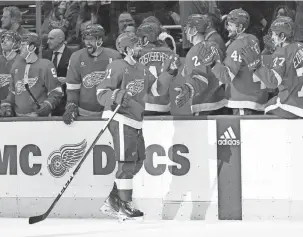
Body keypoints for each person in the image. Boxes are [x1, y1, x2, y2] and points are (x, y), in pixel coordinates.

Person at [96, 32, 180, 221]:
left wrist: (169, 73)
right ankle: (125, 205)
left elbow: (155, 90)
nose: (140, 48)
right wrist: (117, 95)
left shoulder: (142, 69)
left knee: (139, 160)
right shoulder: (116, 66)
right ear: (126, 49)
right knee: (126, 162)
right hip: (119, 118)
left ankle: (113, 199)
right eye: (135, 46)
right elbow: (101, 92)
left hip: (135, 119)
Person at [206, 8, 269, 115]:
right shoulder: (253, 39)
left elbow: (227, 76)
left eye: (230, 25)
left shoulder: (236, 45)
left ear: (240, 27)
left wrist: (212, 63)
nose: (227, 28)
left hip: (243, 101)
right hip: (257, 97)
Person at [240, 17, 303, 118]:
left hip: (292, 106)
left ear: (282, 36)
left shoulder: (281, 52)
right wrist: (274, 49)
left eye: (274, 33)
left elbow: (272, 82)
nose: (272, 37)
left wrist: (256, 66)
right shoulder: (300, 46)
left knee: (268, 107)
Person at [63, 24, 121, 125]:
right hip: (84, 114)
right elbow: (72, 87)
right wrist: (71, 105)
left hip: (109, 113)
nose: (88, 43)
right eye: (85, 39)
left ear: (100, 40)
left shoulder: (114, 56)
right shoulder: (76, 57)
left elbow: (120, 85)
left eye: (91, 39)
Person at [0, 32, 63, 117]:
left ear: (32, 47)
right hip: (18, 118)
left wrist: (47, 105)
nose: (19, 48)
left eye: (23, 45)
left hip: (39, 119)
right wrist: (7, 104)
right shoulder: (16, 65)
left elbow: (56, 91)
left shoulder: (46, 66)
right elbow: (13, 91)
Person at [175, 14, 226, 115]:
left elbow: (200, 79)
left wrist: (188, 89)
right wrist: (181, 67)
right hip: (220, 100)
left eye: (188, 28)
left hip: (204, 104)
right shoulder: (214, 45)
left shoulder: (194, 51)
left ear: (194, 30)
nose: (185, 31)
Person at [136, 22, 175, 115]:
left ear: (146, 38)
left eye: (141, 37)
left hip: (145, 104)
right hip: (164, 105)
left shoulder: (138, 53)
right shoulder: (169, 52)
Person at [43, 29, 73, 116]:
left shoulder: (73, 55)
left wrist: (67, 80)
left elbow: (80, 76)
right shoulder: (44, 55)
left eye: (51, 39)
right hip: (48, 99)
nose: (48, 42)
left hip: (66, 99)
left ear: (60, 39)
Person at [0, 30, 22, 101]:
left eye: (8, 39)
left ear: (16, 43)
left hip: (16, 103)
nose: (4, 41)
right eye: (3, 39)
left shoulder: (22, 61)